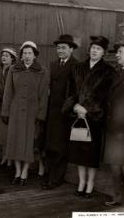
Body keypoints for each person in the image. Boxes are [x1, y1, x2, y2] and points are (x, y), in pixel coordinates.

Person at [63, 36, 114, 198]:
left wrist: (89, 109)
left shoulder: (108, 71)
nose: (94, 51)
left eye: (98, 49)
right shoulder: (78, 68)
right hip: (78, 115)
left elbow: (104, 96)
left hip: (94, 118)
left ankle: (90, 184)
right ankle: (81, 182)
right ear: (88, 49)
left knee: (91, 154)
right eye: (92, 48)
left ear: (103, 53)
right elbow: (70, 91)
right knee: (79, 153)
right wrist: (75, 106)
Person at [1, 41, 49, 186]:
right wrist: (5, 111)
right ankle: (17, 171)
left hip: (32, 112)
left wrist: (41, 115)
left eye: (30, 53)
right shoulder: (13, 70)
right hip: (15, 112)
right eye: (24, 53)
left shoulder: (42, 71)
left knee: (28, 143)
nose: (27, 56)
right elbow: (8, 92)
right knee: (15, 141)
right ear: (21, 55)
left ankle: (25, 172)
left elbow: (43, 95)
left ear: (35, 55)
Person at [103, 40, 124, 212]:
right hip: (114, 127)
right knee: (115, 165)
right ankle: (119, 198)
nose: (116, 54)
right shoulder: (117, 73)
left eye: (120, 51)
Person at [43, 34, 79, 190]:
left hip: (65, 113)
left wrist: (69, 107)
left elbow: (77, 91)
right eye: (58, 48)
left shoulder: (77, 66)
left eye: (64, 48)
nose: (60, 50)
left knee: (60, 146)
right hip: (51, 112)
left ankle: (56, 179)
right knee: (50, 144)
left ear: (71, 49)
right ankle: (49, 175)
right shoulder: (54, 64)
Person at [0, 48, 17, 168]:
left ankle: (10, 157)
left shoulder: (16, 70)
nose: (4, 57)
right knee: (1, 133)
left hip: (12, 106)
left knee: (11, 133)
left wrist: (9, 97)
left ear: (12, 58)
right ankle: (4, 155)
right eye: (3, 55)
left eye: (7, 55)